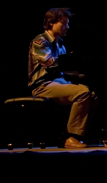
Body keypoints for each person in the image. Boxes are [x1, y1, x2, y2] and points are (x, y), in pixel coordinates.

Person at [28, 8, 99, 148]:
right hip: (42, 86)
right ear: (51, 23)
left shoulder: (61, 45)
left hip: (58, 83)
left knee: (93, 95)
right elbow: (49, 64)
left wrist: (84, 73)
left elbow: (65, 71)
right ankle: (71, 137)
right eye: (64, 23)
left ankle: (74, 135)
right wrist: (70, 61)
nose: (68, 27)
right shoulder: (40, 41)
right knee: (82, 92)